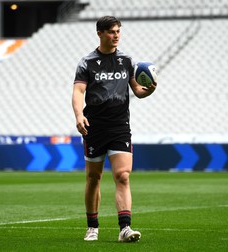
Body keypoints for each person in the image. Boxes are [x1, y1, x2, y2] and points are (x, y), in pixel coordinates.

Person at [71, 16, 156, 242]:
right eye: (111, 32)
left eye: (118, 31)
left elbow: (137, 91)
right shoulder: (86, 62)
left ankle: (124, 228)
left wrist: (149, 91)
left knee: (123, 175)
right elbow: (78, 92)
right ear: (99, 33)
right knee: (93, 178)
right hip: (94, 127)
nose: (116, 35)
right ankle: (92, 226)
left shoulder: (126, 60)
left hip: (119, 126)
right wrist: (79, 116)